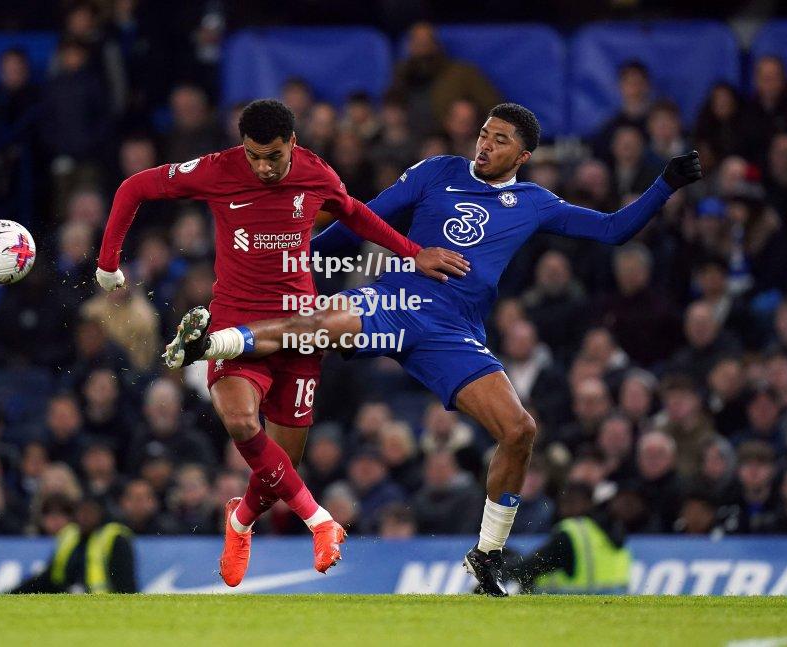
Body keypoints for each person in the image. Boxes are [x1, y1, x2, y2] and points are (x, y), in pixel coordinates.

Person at [172, 103, 702, 595]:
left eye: (499, 141)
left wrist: (665, 185)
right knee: (315, 325)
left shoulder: (535, 202)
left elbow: (612, 231)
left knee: (520, 431)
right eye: (483, 135)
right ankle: (211, 342)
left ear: (524, 155)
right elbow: (361, 221)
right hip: (395, 299)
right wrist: (295, 259)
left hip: (452, 333)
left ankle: (488, 555)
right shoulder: (436, 172)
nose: (486, 146)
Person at [94, 99, 466, 587]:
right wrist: (108, 261)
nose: (263, 167)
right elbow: (134, 187)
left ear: (292, 142)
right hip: (233, 327)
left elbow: (354, 214)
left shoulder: (316, 173)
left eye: (272, 155)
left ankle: (240, 520)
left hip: (298, 331)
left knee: (280, 464)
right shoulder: (218, 169)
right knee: (242, 421)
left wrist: (413, 253)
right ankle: (321, 521)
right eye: (254, 156)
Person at [500, 482, 636, 594]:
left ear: (588, 504)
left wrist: (502, 563)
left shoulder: (572, 532)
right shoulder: (613, 528)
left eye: (570, 501)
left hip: (580, 602)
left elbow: (528, 569)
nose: (565, 507)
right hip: (618, 602)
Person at [10, 496, 136, 593]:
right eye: (81, 512)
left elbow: (125, 585)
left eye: (90, 512)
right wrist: (13, 593)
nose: (84, 517)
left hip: (103, 605)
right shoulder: (69, 536)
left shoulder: (114, 538)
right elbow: (50, 578)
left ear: (100, 513)